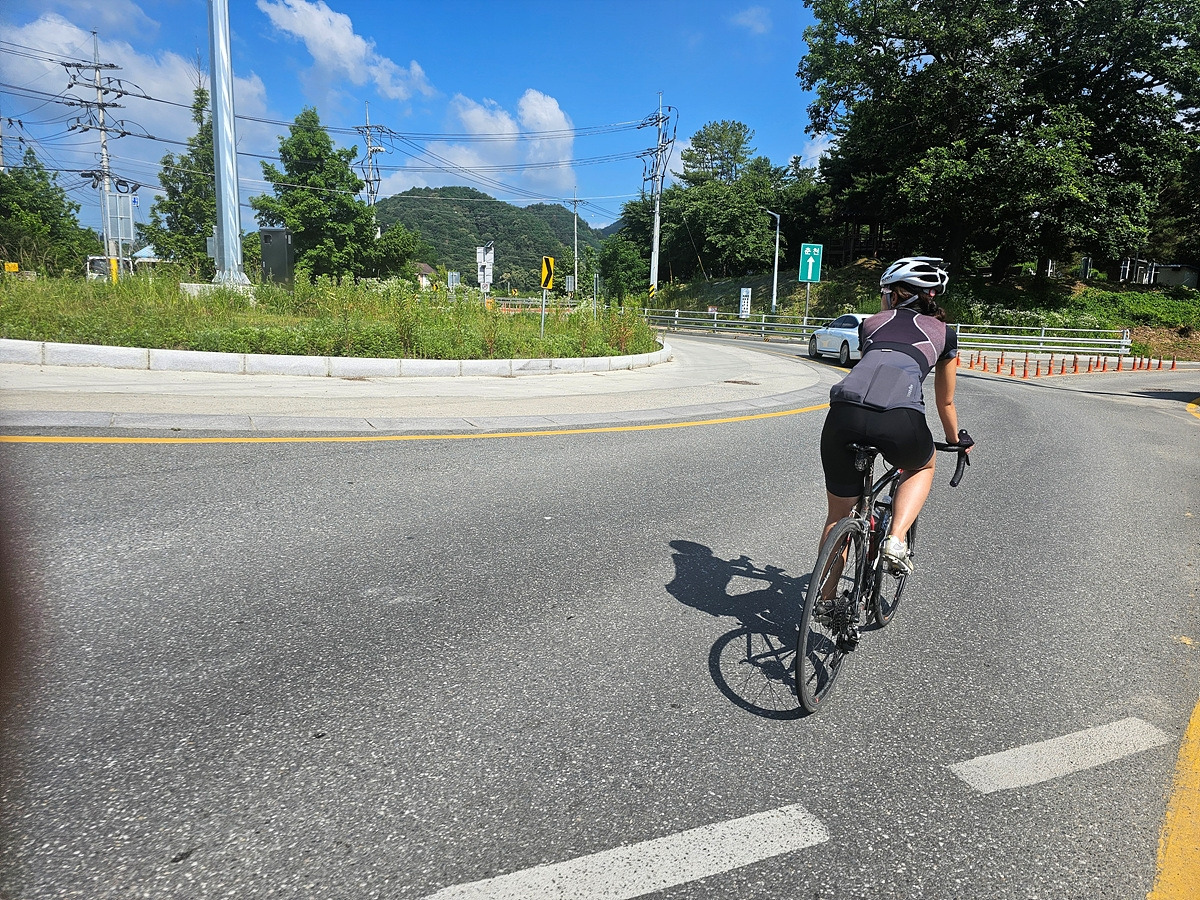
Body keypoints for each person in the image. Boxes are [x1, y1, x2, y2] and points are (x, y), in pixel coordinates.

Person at [817, 256, 973, 574]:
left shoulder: (870, 324)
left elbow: (874, 372)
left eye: (883, 293)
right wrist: (956, 439)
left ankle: (826, 597)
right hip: (899, 418)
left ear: (894, 295)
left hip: (843, 414)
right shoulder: (945, 334)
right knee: (923, 464)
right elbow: (945, 402)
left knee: (838, 516)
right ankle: (896, 538)